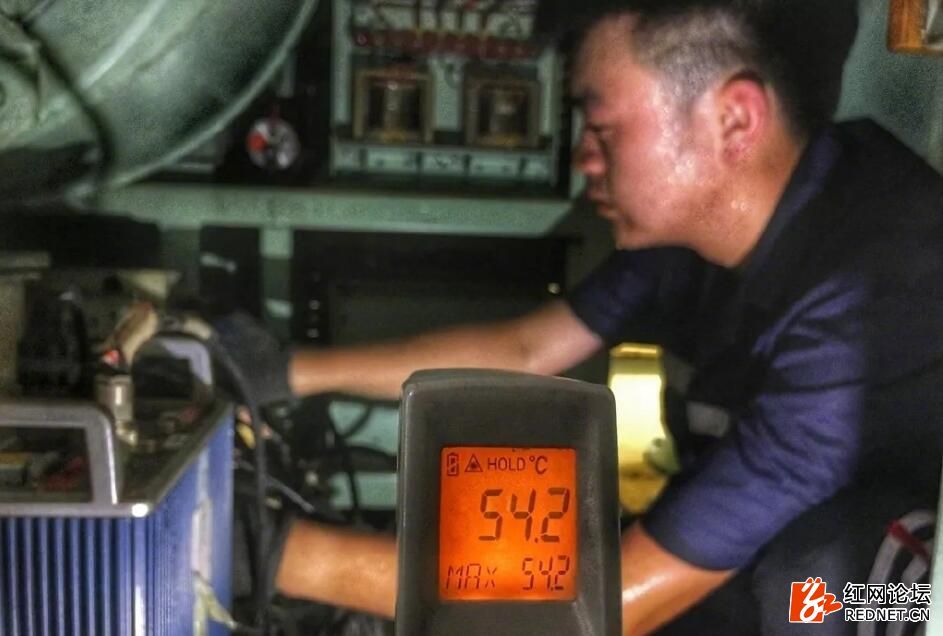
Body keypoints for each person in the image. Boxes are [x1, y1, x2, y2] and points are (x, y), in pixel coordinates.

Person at [216, 0, 943, 633]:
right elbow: (526, 349)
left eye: (602, 128)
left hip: (890, 599)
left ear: (733, 119)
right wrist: (281, 371)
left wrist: (270, 550)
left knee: (804, 589)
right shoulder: (705, 223)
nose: (584, 160)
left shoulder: (871, 298)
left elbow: (610, 605)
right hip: (753, 557)